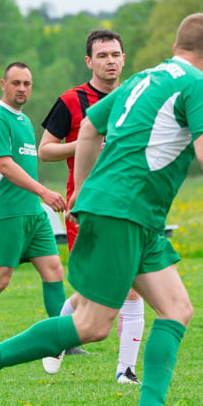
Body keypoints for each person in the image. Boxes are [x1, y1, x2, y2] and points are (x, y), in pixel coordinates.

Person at [0, 13, 203, 406]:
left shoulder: (144, 79)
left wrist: (81, 190)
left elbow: (91, 125)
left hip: (138, 216)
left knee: (176, 308)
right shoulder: (201, 85)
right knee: (92, 325)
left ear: (176, 46)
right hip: (122, 212)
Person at [37, 29, 146, 384]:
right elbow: (45, 150)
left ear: (124, 58)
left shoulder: (135, 97)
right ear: (89, 61)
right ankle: (57, 337)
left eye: (116, 54)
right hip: (85, 206)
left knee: (131, 283)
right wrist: (87, 142)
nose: (110, 61)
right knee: (90, 293)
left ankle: (126, 371)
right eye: (102, 56)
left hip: (130, 204)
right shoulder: (71, 100)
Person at [0, 63, 67, 354]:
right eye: (16, 83)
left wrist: (38, 199)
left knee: (54, 270)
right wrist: (44, 192)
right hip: (7, 212)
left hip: (33, 213)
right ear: (3, 84)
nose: (22, 88)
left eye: (27, 83)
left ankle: (63, 343)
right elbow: (5, 166)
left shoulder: (25, 121)